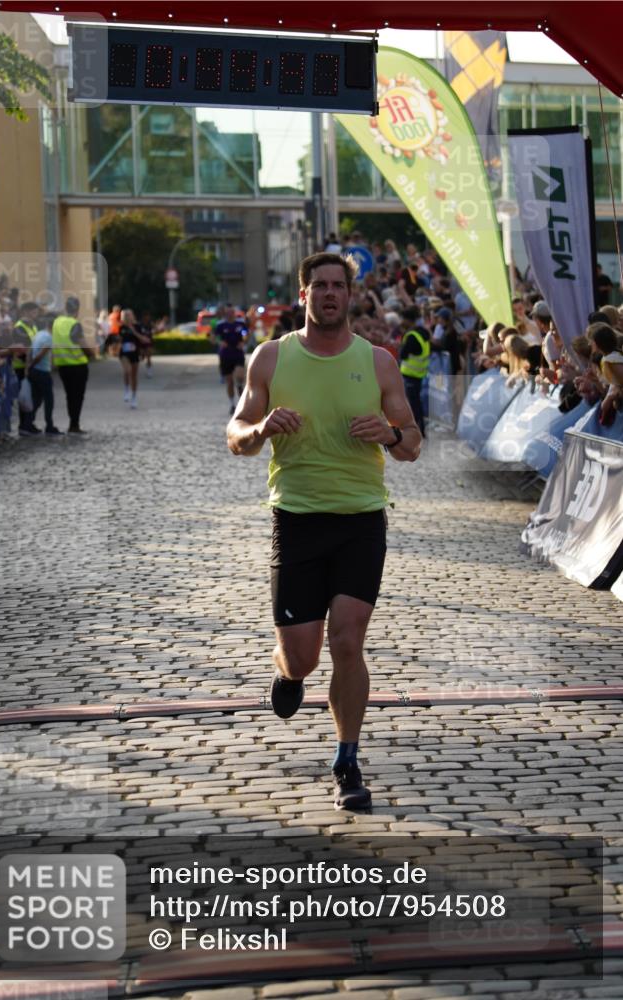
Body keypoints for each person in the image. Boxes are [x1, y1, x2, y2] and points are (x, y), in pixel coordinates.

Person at [227, 252, 422, 811]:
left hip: (361, 519)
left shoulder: (379, 362)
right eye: (320, 286)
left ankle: (347, 760)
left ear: (351, 294)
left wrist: (387, 434)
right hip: (297, 521)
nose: (330, 293)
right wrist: (262, 427)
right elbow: (235, 433)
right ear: (304, 294)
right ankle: (288, 676)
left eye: (338, 285)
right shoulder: (271, 358)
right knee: (303, 656)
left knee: (348, 640)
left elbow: (411, 443)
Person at [52, 296, 94, 434]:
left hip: (62, 366)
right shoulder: (74, 324)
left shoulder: (57, 322)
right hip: (78, 366)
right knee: (78, 396)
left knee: (69, 395)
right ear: (77, 309)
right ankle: (74, 425)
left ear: (66, 307)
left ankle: (73, 423)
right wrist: (91, 353)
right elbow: (83, 345)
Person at [26, 311, 62, 435]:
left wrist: (28, 367)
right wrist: (32, 365)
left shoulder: (39, 334)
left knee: (37, 398)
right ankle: (49, 425)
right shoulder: (48, 338)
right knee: (48, 399)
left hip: (35, 371)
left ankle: (28, 423)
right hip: (42, 371)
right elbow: (40, 355)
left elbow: (30, 351)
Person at [399, 305, 431, 437]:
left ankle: (416, 430)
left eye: (403, 319)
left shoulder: (411, 336)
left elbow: (403, 354)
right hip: (419, 374)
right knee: (416, 403)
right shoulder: (422, 333)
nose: (402, 321)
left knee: (413, 404)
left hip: (410, 374)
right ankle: (420, 429)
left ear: (408, 320)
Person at [11, 302, 40, 435]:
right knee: (25, 397)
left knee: (32, 396)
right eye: (34, 312)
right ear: (25, 312)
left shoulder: (32, 326)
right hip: (21, 367)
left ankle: (29, 423)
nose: (36, 314)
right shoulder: (19, 327)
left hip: (32, 365)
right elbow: (24, 348)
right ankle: (24, 425)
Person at [214, 304, 248, 415]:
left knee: (240, 377)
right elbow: (213, 337)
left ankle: (242, 400)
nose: (229, 314)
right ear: (225, 313)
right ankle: (232, 404)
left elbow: (246, 333)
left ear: (234, 312)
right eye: (227, 312)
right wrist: (220, 342)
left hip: (238, 354)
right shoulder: (220, 325)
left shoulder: (240, 323)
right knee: (229, 382)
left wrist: (243, 341)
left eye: (231, 312)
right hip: (225, 355)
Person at [119, 308, 147, 408]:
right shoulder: (121, 327)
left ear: (132, 316)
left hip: (135, 353)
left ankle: (134, 397)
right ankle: (127, 389)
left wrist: (133, 331)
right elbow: (118, 340)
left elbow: (144, 340)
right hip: (124, 353)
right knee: (128, 371)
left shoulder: (138, 327)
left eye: (128, 315)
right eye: (125, 316)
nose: (127, 317)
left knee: (134, 376)